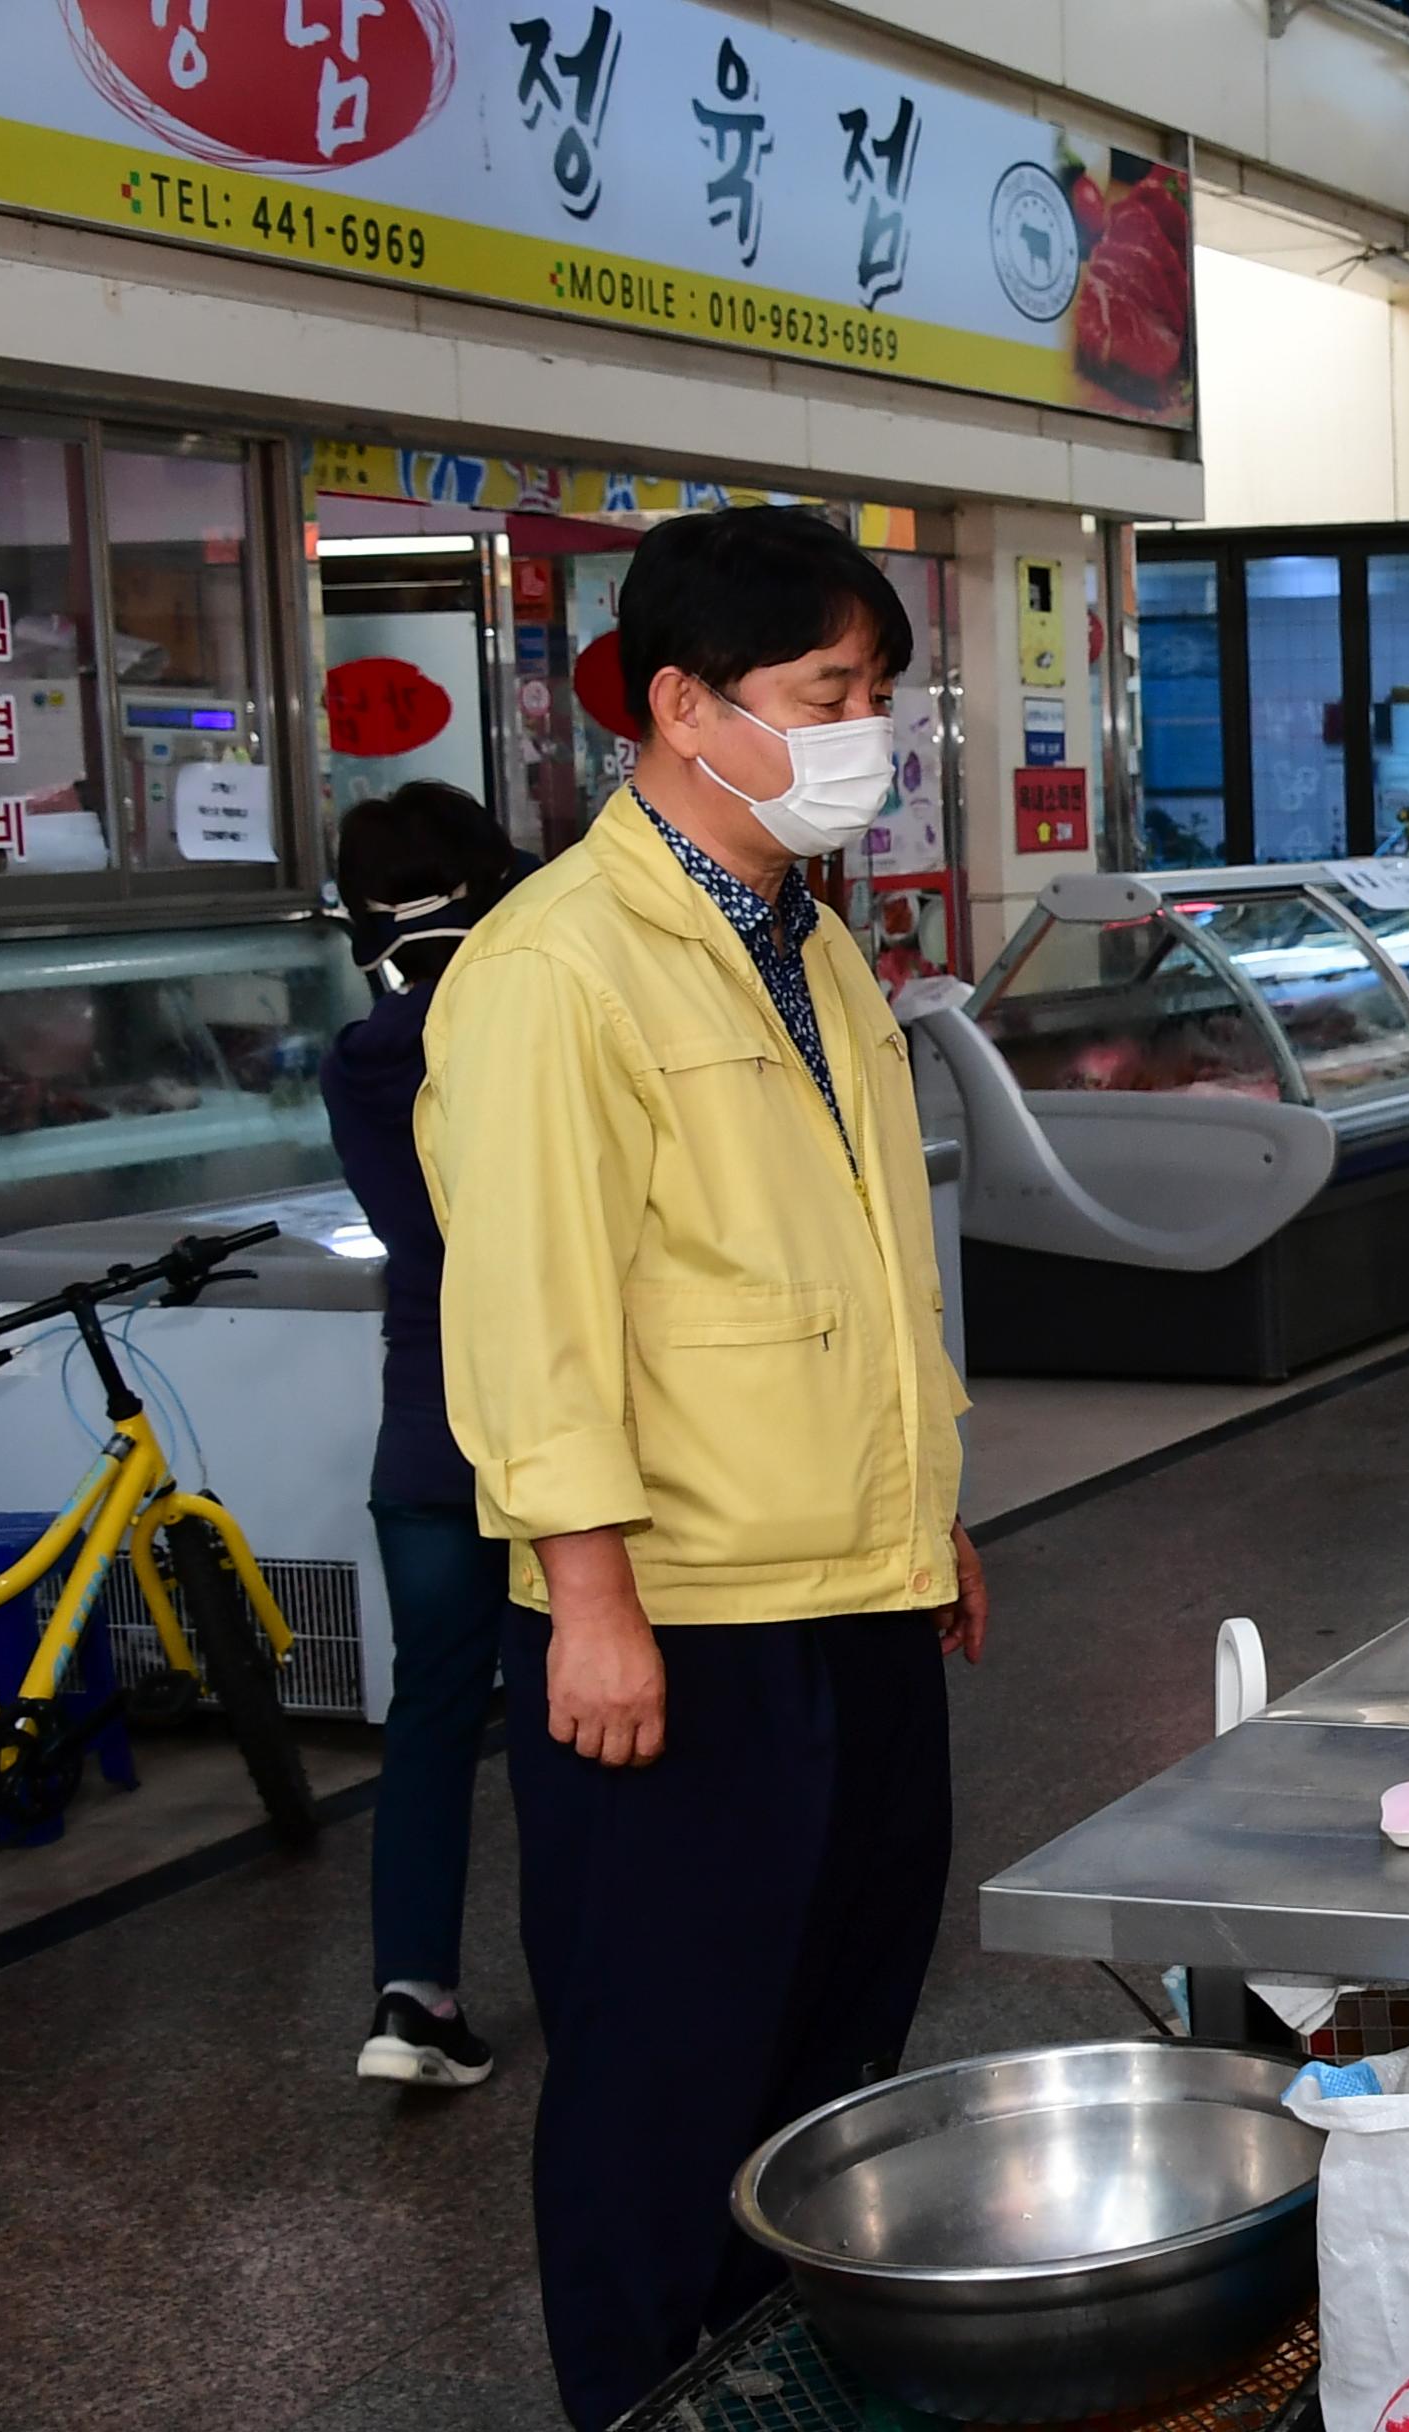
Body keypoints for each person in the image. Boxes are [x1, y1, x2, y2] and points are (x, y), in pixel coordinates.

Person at [419, 506, 988, 2429]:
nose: (869, 733)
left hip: (856, 1585)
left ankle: (779, 2382)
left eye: (880, 694)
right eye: (829, 693)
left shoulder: (809, 945)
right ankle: (641, 2401)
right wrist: (589, 1601)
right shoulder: (556, 967)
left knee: (834, 2052)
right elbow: (531, 1318)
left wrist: (934, 1516)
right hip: (676, 1617)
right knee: (667, 2063)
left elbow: (857, 1266)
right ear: (681, 704)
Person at [325, 781, 526, 2092]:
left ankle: (414, 1997)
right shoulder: (525, 1027)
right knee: (588, 1718)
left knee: (433, 1717)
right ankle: (610, 1985)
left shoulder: (360, 1057)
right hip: (548, 1426)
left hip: (422, 1429)